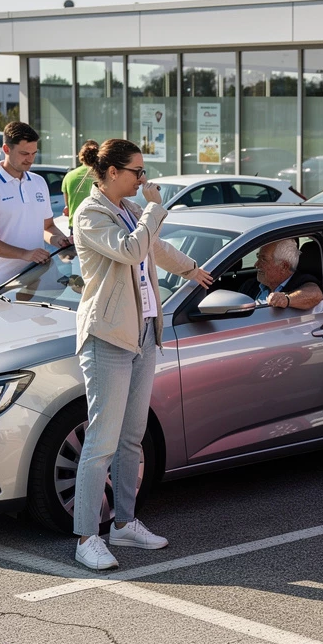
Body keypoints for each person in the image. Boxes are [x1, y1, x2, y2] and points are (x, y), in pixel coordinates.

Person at [71, 139, 213, 572]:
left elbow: (153, 249)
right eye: (137, 172)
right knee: (101, 441)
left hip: (144, 334)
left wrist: (191, 269)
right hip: (108, 336)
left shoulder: (132, 210)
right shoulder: (90, 215)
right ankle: (86, 537)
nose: (144, 179)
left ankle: (125, 524)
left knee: (132, 436)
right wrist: (154, 209)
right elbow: (132, 249)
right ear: (112, 172)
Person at [0, 121, 71, 291]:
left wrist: (59, 240)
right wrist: (24, 254)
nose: (30, 159)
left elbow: (47, 227)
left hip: (38, 279)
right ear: (6, 149)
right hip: (2, 285)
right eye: (24, 153)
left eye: (34, 153)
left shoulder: (38, 182)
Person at [240, 238, 323, 310]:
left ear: (284, 266)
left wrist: (286, 299)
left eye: (263, 259)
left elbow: (315, 294)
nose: (256, 264)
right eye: (258, 257)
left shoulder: (300, 281)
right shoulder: (250, 285)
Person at [62, 141, 99, 227]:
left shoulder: (69, 176)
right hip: (97, 224)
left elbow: (67, 205)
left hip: (75, 224)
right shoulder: (102, 176)